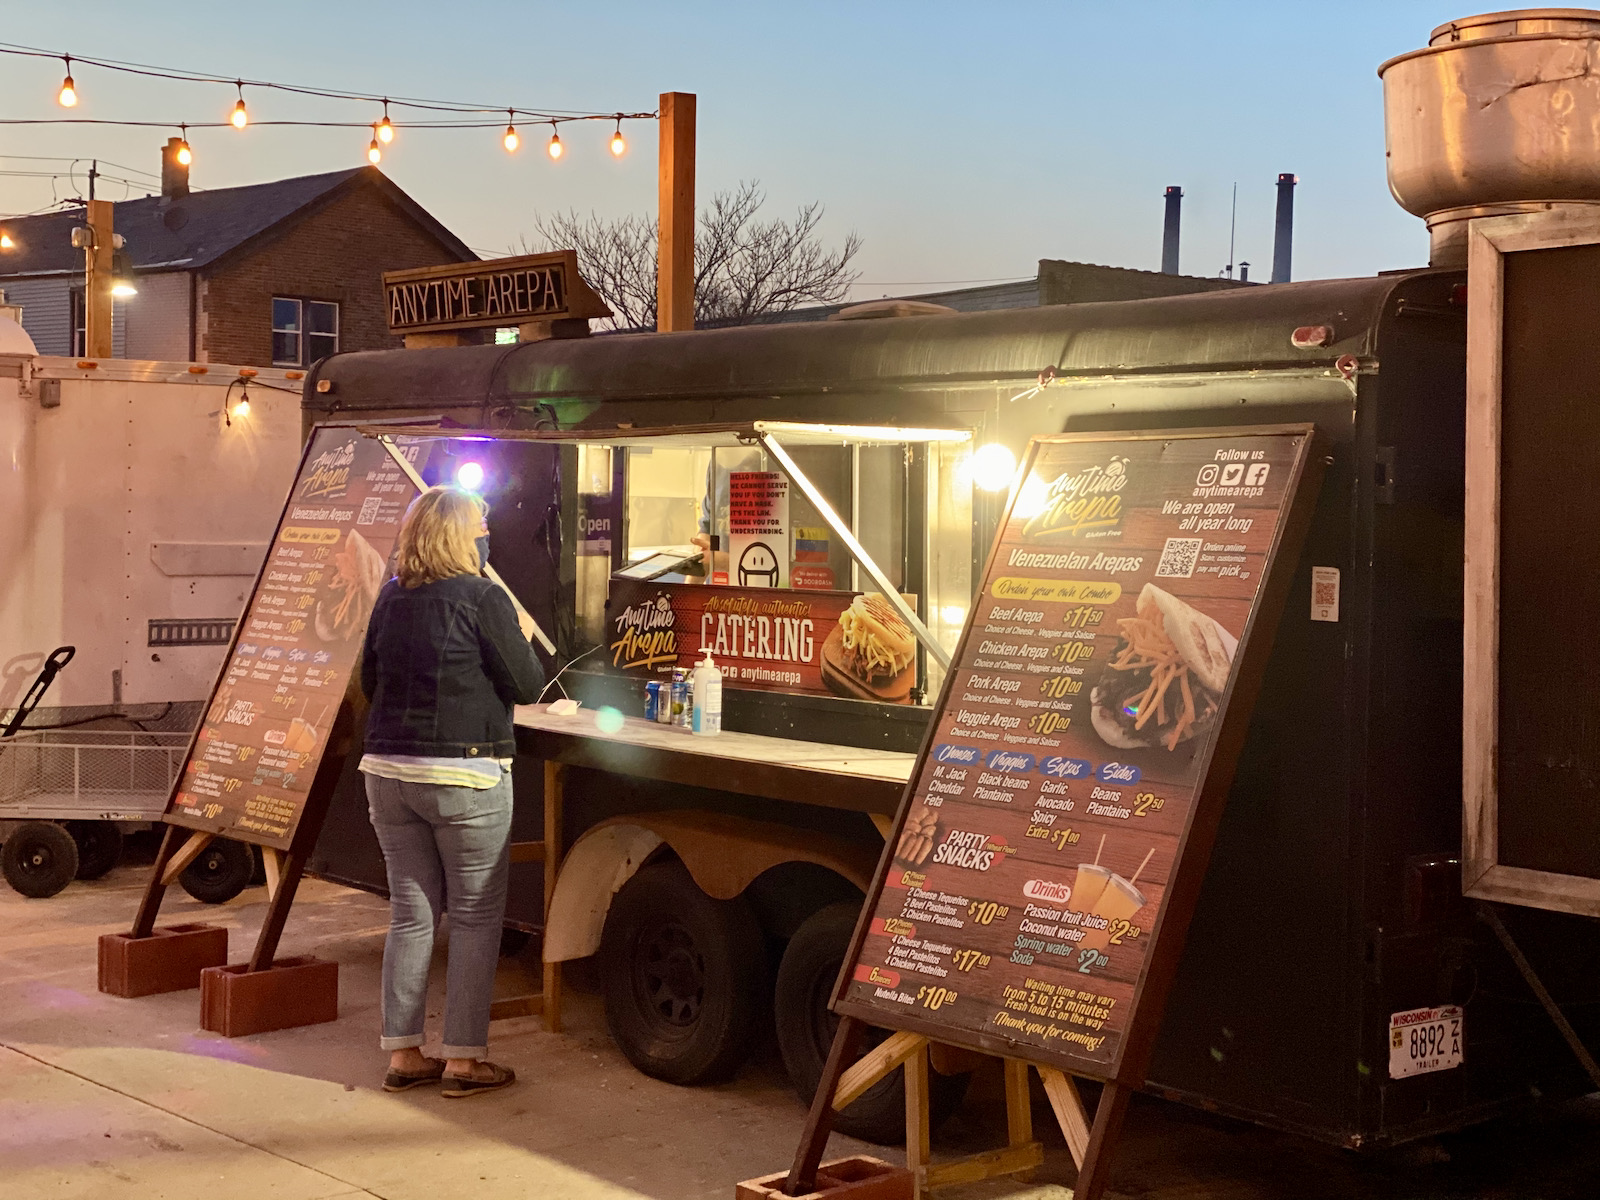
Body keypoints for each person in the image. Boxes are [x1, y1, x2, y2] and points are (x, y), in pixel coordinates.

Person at [357, 485, 545, 1098]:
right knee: (473, 917)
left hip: (387, 774)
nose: (486, 534)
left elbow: (369, 679)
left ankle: (404, 1053)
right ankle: (464, 1060)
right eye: (480, 525)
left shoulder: (390, 597)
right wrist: (516, 628)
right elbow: (525, 684)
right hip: (466, 775)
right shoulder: (485, 597)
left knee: (410, 916)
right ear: (460, 536)